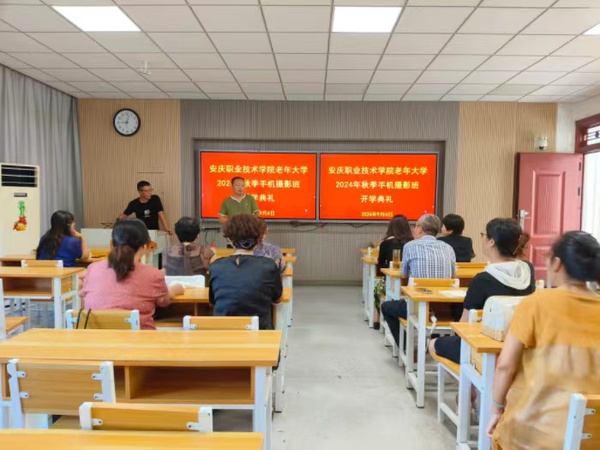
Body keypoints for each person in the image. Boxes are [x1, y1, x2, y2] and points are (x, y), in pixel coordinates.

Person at [487, 231, 600, 450]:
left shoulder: (537, 303)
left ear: (557, 264)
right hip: (594, 437)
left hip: (533, 436)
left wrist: (496, 408)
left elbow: (505, 366)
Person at [429, 218, 536, 364]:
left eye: (483, 235)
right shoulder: (528, 269)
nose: (482, 239)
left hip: (485, 352)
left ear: (491, 242)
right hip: (521, 349)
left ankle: (465, 379)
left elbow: (464, 325)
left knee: (433, 344)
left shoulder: (483, 279)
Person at [80, 219, 183, 330]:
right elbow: (163, 301)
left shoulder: (93, 269)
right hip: (141, 339)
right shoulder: (154, 275)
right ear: (145, 246)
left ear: (111, 244)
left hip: (98, 339)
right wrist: (175, 290)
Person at [381, 214, 456, 346]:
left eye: (415, 226)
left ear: (420, 229)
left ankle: (404, 346)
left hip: (417, 307)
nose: (414, 229)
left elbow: (404, 274)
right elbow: (453, 277)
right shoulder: (448, 248)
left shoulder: (410, 246)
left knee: (386, 307)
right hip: (444, 308)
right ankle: (436, 341)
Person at [209, 214, 282, 330]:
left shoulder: (216, 267)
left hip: (224, 333)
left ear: (230, 240)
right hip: (260, 332)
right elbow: (277, 299)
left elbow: (212, 302)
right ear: (258, 240)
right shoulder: (269, 266)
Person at [373, 214, 413, 329]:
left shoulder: (385, 243)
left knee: (377, 289)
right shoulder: (413, 243)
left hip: (391, 282)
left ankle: (376, 320)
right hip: (410, 284)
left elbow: (380, 266)